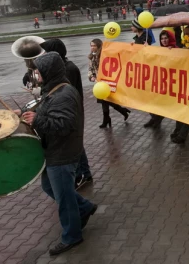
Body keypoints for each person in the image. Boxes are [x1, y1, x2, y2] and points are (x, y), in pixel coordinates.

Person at [20, 52, 97, 256]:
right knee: (49, 186)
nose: (35, 74)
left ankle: (72, 236)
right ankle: (84, 207)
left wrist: (37, 120)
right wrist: (33, 115)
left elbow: (63, 125)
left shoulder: (64, 94)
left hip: (62, 153)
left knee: (64, 198)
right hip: (54, 150)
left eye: (38, 71)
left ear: (49, 71)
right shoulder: (54, 89)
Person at [40, 39, 94, 190]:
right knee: (74, 143)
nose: (44, 54)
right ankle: (83, 173)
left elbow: (61, 91)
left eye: (47, 51)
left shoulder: (67, 69)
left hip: (70, 111)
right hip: (70, 109)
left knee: (74, 144)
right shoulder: (64, 66)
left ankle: (83, 174)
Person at [88, 39, 131, 127]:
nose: (92, 47)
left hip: (107, 82)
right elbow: (90, 69)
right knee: (105, 101)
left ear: (99, 46)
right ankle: (118, 114)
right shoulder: (91, 57)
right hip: (98, 83)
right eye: (91, 46)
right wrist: (91, 77)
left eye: (94, 46)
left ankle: (108, 119)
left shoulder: (104, 55)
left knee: (107, 100)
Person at [144, 30, 178, 129]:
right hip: (161, 81)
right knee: (149, 100)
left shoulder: (175, 49)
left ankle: (157, 119)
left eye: (166, 38)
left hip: (171, 83)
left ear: (170, 38)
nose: (164, 40)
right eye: (162, 39)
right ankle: (155, 118)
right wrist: (147, 49)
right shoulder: (161, 50)